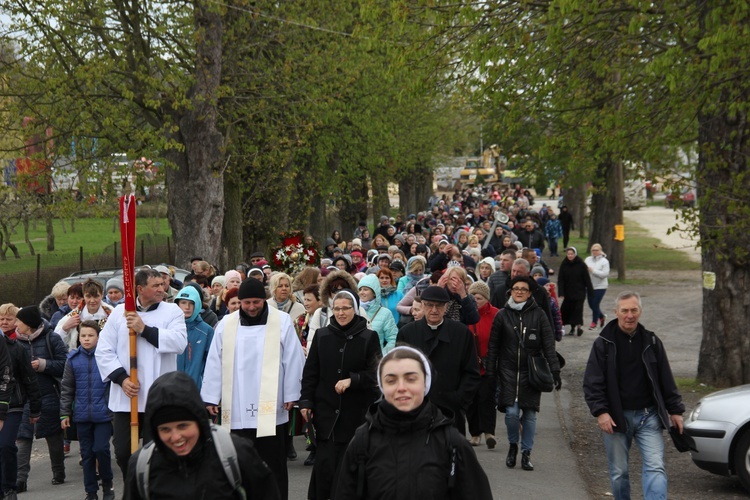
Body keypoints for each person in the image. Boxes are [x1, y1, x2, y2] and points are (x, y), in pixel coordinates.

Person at [333, 346, 493, 500]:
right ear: (381, 386)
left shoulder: (452, 443)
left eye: (411, 379)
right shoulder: (363, 441)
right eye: (391, 380)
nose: (401, 387)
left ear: (425, 383)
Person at [201, 278, 306, 500]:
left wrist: (291, 394)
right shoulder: (226, 324)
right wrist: (211, 398)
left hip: (273, 403)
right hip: (236, 405)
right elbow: (214, 362)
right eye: (246, 302)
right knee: (238, 464)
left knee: (273, 464)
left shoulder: (282, 321)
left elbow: (293, 359)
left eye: (256, 302)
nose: (250, 307)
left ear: (264, 300)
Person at [583, 291, 685, 500]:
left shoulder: (652, 342)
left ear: (640, 311)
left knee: (655, 467)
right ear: (616, 312)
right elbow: (592, 382)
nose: (630, 315)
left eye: (634, 310)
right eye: (625, 311)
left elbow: (666, 378)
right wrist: (601, 412)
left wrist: (675, 410)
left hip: (649, 417)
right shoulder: (603, 344)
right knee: (619, 473)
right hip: (616, 418)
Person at [125, 371, 280, 500]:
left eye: (183, 426)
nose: (176, 437)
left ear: (199, 422)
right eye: (165, 429)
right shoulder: (142, 466)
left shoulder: (234, 453)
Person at [96, 268, 188, 480]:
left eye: (162, 284)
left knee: (156, 452)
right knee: (122, 451)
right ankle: (136, 484)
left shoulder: (172, 311)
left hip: (158, 396)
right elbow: (103, 350)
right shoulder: (120, 313)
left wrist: (144, 329)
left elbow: (179, 343)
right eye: (155, 286)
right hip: (127, 395)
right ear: (139, 289)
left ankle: (154, 489)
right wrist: (121, 379)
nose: (161, 289)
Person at [299, 290, 381, 500]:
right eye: (337, 309)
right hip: (326, 414)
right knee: (325, 470)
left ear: (355, 309)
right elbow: (311, 372)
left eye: (346, 308)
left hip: (356, 415)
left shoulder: (368, 337)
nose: (341, 313)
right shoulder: (322, 336)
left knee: (351, 471)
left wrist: (352, 380)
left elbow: (376, 375)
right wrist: (306, 401)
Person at [485, 276, 561, 472]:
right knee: (510, 413)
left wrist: (555, 371)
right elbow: (493, 346)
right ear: (510, 291)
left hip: (531, 372)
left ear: (529, 293)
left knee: (529, 414)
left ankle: (526, 453)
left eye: (523, 289)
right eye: (515, 288)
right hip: (508, 371)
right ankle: (513, 446)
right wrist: (491, 371)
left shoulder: (539, 315)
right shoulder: (502, 315)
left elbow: (548, 346)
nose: (519, 292)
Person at [396, 286, 480, 433]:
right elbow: (399, 370)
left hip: (450, 409)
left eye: (439, 305)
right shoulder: (407, 333)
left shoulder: (461, 333)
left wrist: (459, 400)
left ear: (446, 307)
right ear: (422, 305)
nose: (434, 310)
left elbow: (471, 372)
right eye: (429, 305)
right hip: (416, 408)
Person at [14, 305, 68, 492]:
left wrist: (43, 365)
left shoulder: (52, 338)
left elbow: (65, 364)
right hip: (25, 397)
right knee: (23, 437)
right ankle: (20, 479)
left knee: (52, 435)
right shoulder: (15, 342)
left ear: (28, 324)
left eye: (18, 321)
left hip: (49, 394)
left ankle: (58, 471)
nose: (15, 324)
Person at [59, 320, 115, 500]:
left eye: (91, 335)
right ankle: (91, 492)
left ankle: (108, 485)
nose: (86, 339)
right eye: (83, 335)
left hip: (104, 415)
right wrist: (65, 413)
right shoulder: (73, 359)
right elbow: (67, 388)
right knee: (87, 455)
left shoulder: (106, 357)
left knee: (101, 449)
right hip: (82, 416)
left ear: (99, 337)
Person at [0, 304, 40, 499]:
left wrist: (35, 408)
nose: (4, 322)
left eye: (8, 318)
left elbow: (29, 378)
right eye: (1, 318)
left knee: (6, 445)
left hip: (13, 404)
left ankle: (9, 487)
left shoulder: (17, 348)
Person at [465, 281, 499, 449]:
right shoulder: (466, 314)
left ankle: (489, 433)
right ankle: (475, 434)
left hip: (489, 364)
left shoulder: (496, 314)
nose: (475, 300)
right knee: (471, 401)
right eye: (472, 297)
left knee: (487, 399)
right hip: (469, 365)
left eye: (479, 297)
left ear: (486, 298)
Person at [55, 278, 113, 351]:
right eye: (88, 296)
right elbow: (56, 341)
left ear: (102, 295)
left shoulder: (112, 313)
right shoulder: (74, 315)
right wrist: (65, 328)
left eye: (96, 296)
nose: (92, 301)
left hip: (105, 356)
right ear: (84, 296)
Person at [174, 286, 214, 391]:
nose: (187, 307)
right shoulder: (170, 328)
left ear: (198, 305)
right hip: (171, 388)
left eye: (191, 303)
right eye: (183, 302)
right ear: (177, 304)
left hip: (196, 390)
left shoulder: (206, 331)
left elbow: (211, 363)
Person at [557, 247, 594, 337]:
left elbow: (586, 279)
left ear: (575, 254)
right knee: (566, 309)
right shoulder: (564, 264)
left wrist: (590, 290)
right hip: (568, 292)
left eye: (571, 254)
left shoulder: (581, 264)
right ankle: (568, 327)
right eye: (568, 254)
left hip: (579, 292)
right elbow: (560, 279)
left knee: (578, 310)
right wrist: (561, 292)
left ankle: (579, 327)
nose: (570, 256)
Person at [357, 275, 397, 352]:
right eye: (360, 289)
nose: (361, 292)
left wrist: (382, 356)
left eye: (365, 289)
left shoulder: (385, 313)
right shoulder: (354, 311)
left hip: (376, 360)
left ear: (374, 292)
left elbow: (393, 338)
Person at [585, 243, 611, 330]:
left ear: (600, 251)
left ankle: (594, 322)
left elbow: (604, 274)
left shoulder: (604, 261)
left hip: (600, 286)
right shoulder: (588, 259)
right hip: (590, 286)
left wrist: (593, 271)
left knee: (595, 304)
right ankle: (602, 316)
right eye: (593, 250)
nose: (595, 252)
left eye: (596, 250)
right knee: (591, 304)